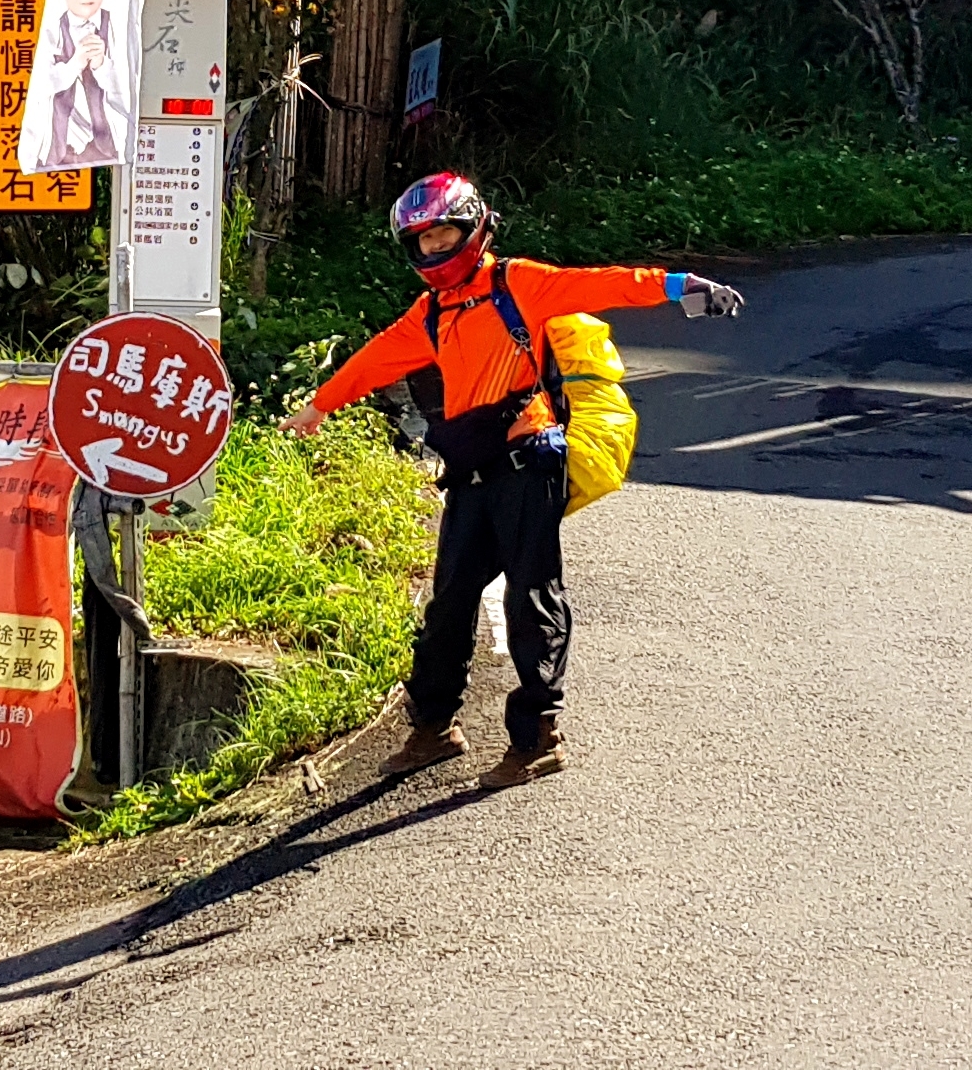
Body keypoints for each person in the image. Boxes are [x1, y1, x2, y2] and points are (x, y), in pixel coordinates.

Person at [284, 172, 744, 787]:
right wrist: (320, 405)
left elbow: (601, 284)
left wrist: (680, 285)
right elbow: (377, 358)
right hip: (473, 471)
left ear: (474, 228)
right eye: (421, 241)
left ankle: (537, 739)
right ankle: (434, 728)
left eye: (443, 233)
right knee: (447, 603)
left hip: (530, 462)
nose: (434, 250)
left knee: (530, 598)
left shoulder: (517, 283)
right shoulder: (431, 313)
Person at [21, 0, 130, 172]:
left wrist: (102, 66)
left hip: (106, 145)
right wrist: (74, 65)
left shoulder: (115, 27)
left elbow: (128, 87)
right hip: (57, 148)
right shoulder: (52, 28)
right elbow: (40, 84)